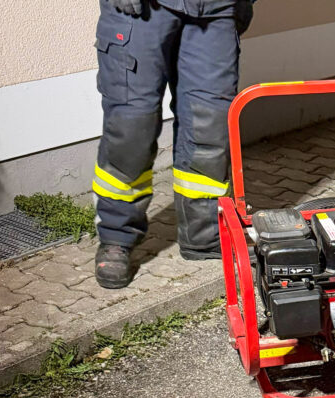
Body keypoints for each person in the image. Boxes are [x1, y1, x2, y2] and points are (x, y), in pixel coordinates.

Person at [92, 0, 255, 288]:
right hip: (144, 10)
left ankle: (204, 235)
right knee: (132, 127)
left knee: (209, 126)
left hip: (216, 9)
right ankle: (116, 235)